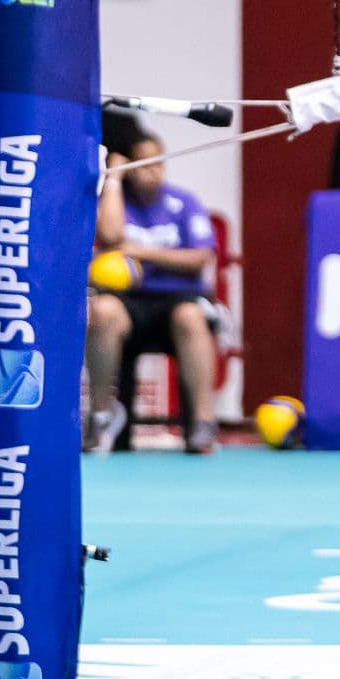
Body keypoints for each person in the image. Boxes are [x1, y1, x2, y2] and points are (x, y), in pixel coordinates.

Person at [86, 131, 223, 456]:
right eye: (146, 164)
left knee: (191, 317)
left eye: (159, 163)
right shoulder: (116, 202)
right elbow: (110, 235)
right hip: (129, 301)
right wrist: (113, 180)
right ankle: (102, 416)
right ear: (132, 166)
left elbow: (201, 258)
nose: (154, 171)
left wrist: (143, 252)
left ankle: (203, 424)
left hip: (176, 298)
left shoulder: (183, 202)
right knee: (103, 310)